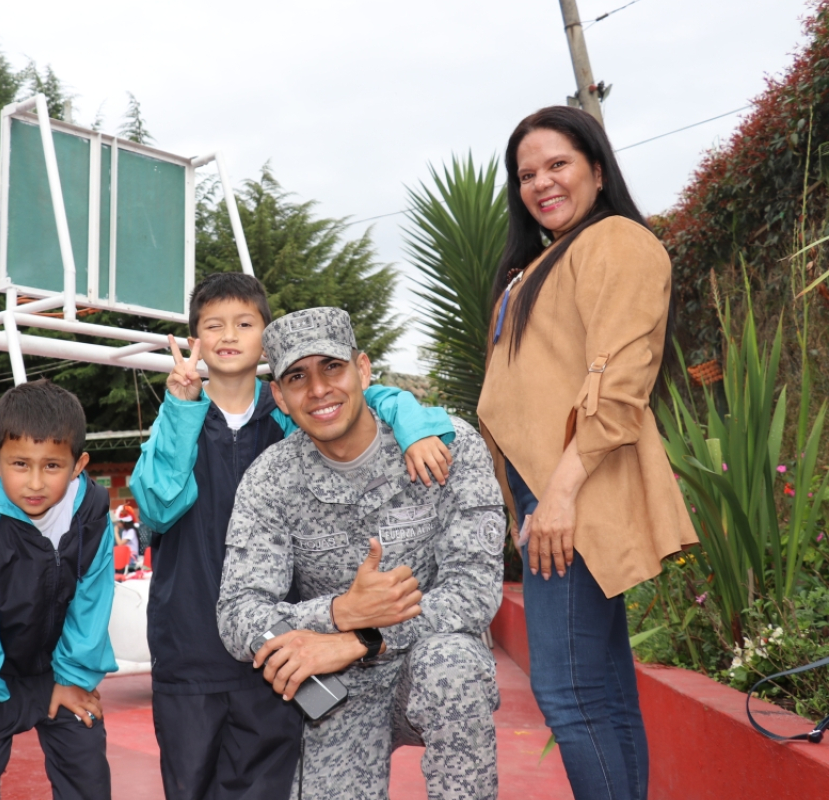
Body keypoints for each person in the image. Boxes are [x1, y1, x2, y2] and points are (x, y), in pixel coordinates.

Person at [130, 273, 456, 800]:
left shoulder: (292, 415)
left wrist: (416, 426)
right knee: (189, 786)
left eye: (244, 323)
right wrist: (183, 408)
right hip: (189, 653)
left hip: (281, 650)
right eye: (213, 325)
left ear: (268, 339)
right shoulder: (178, 416)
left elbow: (373, 400)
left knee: (267, 787)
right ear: (195, 340)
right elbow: (160, 505)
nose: (229, 334)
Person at [477, 106, 697, 800]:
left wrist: (561, 494)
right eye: (526, 174)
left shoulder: (616, 242)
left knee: (569, 691)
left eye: (558, 164)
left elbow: (621, 379)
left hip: (574, 494)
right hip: (551, 497)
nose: (541, 183)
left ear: (597, 170)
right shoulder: (540, 263)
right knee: (600, 689)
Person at [216, 307, 504, 800]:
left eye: (332, 367)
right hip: (335, 689)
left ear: (364, 370)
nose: (319, 390)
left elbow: (474, 589)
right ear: (280, 397)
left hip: (427, 660)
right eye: (297, 377)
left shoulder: (447, 447)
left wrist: (360, 638)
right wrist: (337, 613)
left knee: (454, 664)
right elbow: (238, 615)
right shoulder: (270, 480)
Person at [0, 379, 117, 800]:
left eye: (52, 466)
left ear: (78, 464)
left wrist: (73, 676)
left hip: (58, 668)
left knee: (87, 767)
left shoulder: (91, 516)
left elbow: (93, 600)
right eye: (20, 464)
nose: (35, 482)